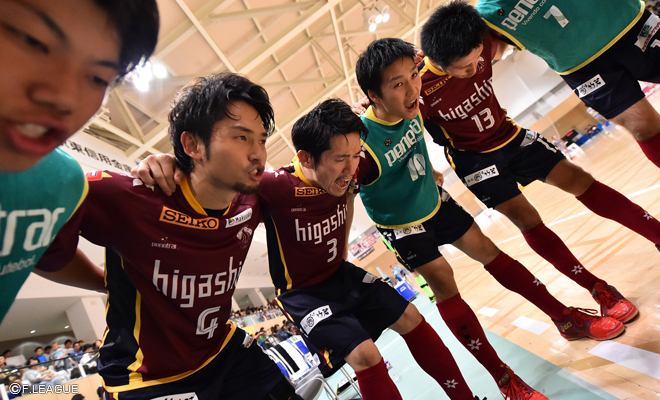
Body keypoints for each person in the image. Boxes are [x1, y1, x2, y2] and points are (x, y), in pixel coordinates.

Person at [134, 98, 488, 400]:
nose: (351, 168)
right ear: (305, 158)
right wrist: (168, 164)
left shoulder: (351, 170)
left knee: (412, 318)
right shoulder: (274, 187)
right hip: (303, 294)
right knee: (365, 354)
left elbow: (393, 132)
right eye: (340, 158)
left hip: (340, 274)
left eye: (356, 155)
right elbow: (214, 180)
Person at [353, 37, 624, 400]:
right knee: (443, 278)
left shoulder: (413, 105)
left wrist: (429, 170)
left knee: (491, 251)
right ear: (374, 95)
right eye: (397, 84)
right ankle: (504, 379)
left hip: (434, 201)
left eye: (412, 76)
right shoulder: (359, 142)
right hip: (401, 224)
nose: (412, 89)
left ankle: (564, 318)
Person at [37, 73, 302, 400]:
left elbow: (316, 175)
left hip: (224, 353)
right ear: (193, 145)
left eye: (261, 140)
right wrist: (102, 281)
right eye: (241, 137)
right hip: (147, 376)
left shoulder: (255, 197)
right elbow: (38, 243)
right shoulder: (131, 197)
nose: (258, 153)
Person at [419, 0, 660, 326]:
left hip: (510, 136)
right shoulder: (417, 85)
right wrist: (427, 167)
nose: (472, 70)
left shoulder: (484, 37)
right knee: (526, 218)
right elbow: (401, 126)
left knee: (581, 181)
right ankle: (598, 288)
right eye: (462, 68)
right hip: (473, 161)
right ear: (437, 60)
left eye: (475, 61)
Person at [0, 0, 160, 324]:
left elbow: (42, 253)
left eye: (99, 78)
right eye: (32, 41)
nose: (65, 97)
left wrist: (117, 285)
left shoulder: (61, 182)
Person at [476, 0, 660, 170]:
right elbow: (496, 50)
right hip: (581, 67)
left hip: (627, 22)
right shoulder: (485, 15)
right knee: (642, 125)